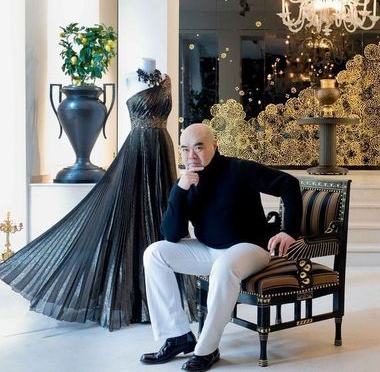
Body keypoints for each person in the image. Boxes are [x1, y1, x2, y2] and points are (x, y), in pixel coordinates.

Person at [0, 58, 196, 331]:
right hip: (138, 151)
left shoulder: (166, 80)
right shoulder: (130, 78)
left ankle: (163, 296)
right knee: (128, 217)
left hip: (162, 150)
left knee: (164, 211)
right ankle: (129, 297)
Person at [140, 123, 302, 371]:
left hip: (250, 248)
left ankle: (207, 349)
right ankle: (177, 336)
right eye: (184, 149)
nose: (191, 155)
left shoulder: (240, 169)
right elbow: (171, 235)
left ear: (214, 146)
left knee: (225, 266)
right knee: (155, 253)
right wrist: (180, 191)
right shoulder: (186, 182)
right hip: (209, 250)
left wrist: (289, 231)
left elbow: (288, 184)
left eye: (198, 147)